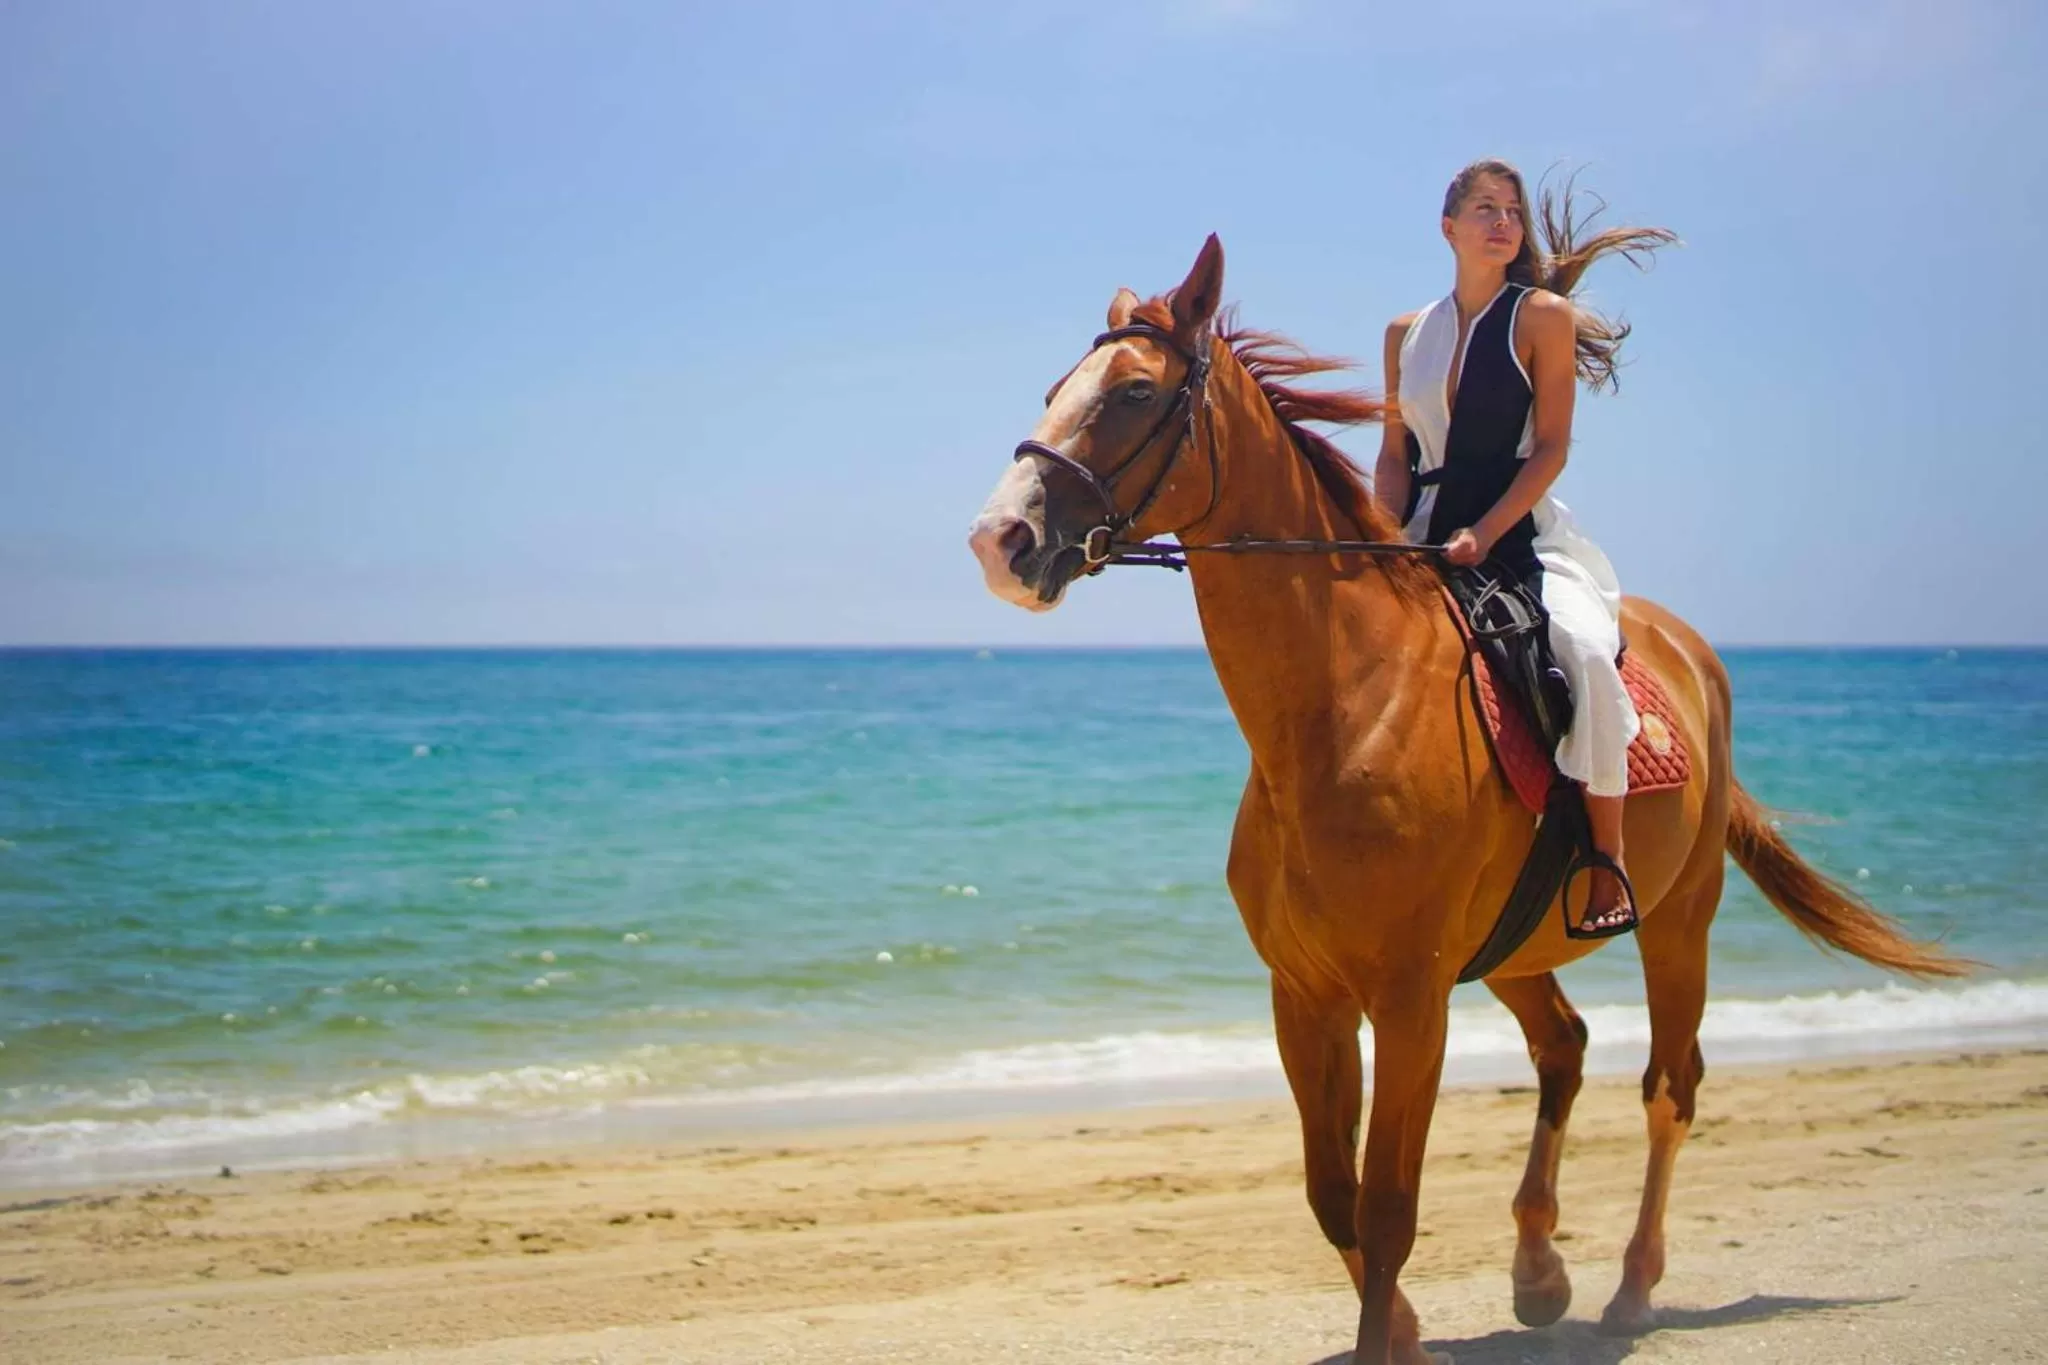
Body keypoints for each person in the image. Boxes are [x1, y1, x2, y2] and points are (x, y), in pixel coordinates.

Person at [1376, 160, 1675, 935]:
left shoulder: (1541, 316)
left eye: (1512, 210)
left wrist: (1486, 530)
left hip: (1521, 539)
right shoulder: (1405, 334)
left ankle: (1605, 858)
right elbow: (1394, 455)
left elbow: (1550, 448)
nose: (1503, 222)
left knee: (1585, 650)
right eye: (1486, 208)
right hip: (1421, 537)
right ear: (1449, 228)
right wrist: (1382, 535)